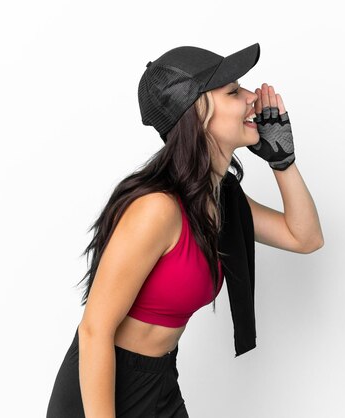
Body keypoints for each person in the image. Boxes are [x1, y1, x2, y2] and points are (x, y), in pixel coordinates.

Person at [46, 42, 323, 418]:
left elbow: (304, 237)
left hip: (160, 382)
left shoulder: (219, 200)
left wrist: (283, 162)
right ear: (198, 114)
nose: (251, 98)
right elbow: (95, 330)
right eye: (232, 92)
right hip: (102, 386)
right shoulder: (157, 209)